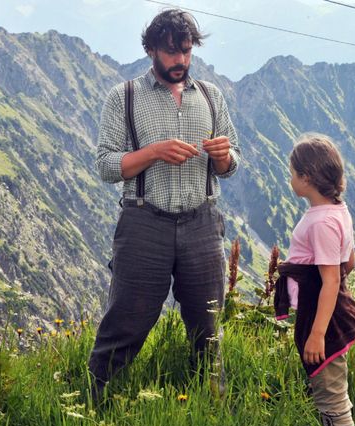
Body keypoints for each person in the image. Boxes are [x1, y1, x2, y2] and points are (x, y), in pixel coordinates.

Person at [87, 8, 241, 401]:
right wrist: (153, 152)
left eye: (187, 52)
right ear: (151, 49)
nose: (181, 62)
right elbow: (106, 165)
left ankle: (214, 407)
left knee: (208, 328)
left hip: (203, 223)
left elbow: (229, 164)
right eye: (172, 53)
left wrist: (223, 156)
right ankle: (94, 401)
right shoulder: (124, 98)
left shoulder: (211, 95)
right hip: (144, 224)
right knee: (126, 323)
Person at [273, 134, 355, 426]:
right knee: (327, 387)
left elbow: (331, 279)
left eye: (293, 173)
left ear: (307, 178)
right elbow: (348, 262)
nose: (290, 179)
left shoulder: (322, 221)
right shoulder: (336, 211)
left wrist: (316, 333)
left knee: (331, 395)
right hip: (326, 311)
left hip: (322, 319)